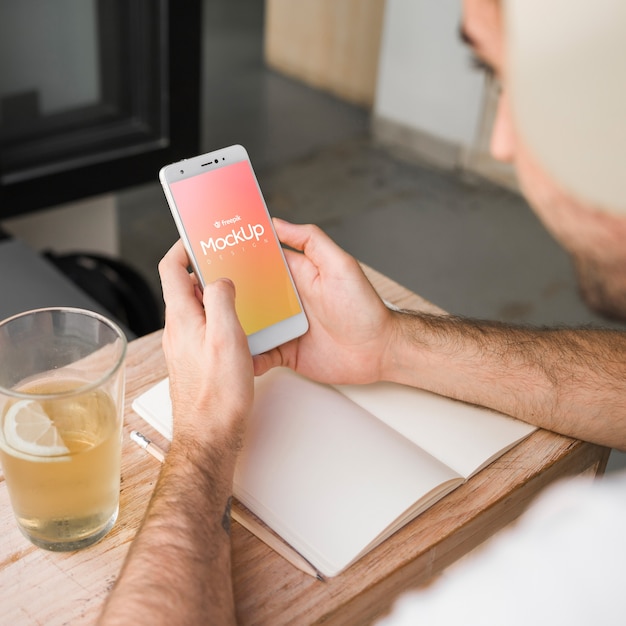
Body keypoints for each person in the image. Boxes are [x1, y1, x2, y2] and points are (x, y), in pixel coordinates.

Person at [98, 0, 626, 624]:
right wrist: (390, 345)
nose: (502, 141)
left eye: (517, 82)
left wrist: (204, 434)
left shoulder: (582, 570)